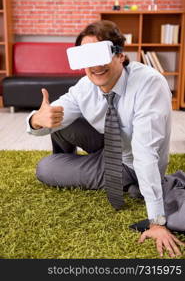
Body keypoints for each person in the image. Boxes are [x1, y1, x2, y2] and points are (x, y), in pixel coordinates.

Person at [27, 20, 185, 257]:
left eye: (101, 54)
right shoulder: (85, 86)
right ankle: (80, 166)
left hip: (128, 162)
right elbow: (51, 113)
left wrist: (157, 222)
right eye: (87, 57)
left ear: (120, 55)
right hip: (106, 141)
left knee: (45, 168)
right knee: (59, 120)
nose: (95, 66)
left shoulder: (149, 85)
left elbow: (144, 154)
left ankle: (130, 183)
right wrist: (36, 120)